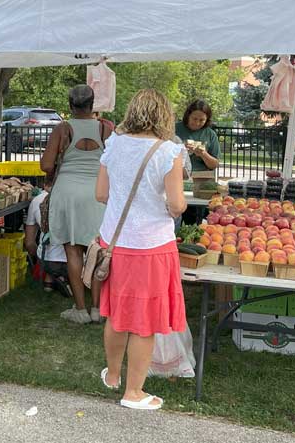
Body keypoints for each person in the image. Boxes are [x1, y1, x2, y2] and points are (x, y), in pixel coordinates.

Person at [95, 89, 188, 411]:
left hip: (115, 242)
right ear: (164, 114)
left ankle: (113, 375)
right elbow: (176, 205)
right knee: (144, 322)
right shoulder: (169, 152)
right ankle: (133, 391)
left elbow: (101, 194)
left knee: (117, 314)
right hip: (151, 244)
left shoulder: (114, 144)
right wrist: (173, 203)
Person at [39, 85, 112, 324]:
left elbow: (46, 165)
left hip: (67, 192)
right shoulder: (106, 128)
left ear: (70, 105)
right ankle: (98, 308)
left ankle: (80, 309)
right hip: (98, 193)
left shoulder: (63, 128)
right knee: (98, 250)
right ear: (93, 104)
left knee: (73, 250)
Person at [23, 189, 71, 297]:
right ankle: (65, 279)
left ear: (44, 184)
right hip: (73, 261)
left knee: (48, 245)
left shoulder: (37, 200)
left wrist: (38, 260)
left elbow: (29, 243)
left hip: (47, 259)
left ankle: (49, 281)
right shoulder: (74, 197)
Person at [175, 99, 220, 172]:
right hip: (177, 175)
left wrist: (203, 154)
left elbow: (214, 165)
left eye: (202, 120)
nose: (197, 123)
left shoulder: (210, 134)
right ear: (188, 116)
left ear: (207, 120)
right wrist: (181, 149)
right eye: (194, 119)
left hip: (201, 176)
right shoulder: (174, 129)